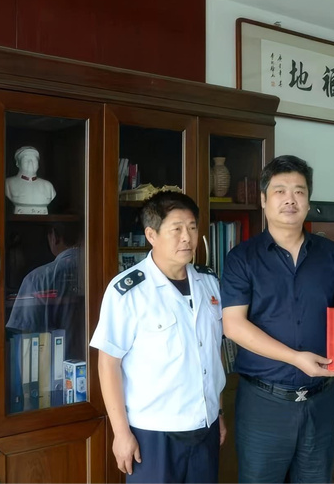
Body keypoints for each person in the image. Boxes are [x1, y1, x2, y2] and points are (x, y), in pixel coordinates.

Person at [221, 155, 334, 483]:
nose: (290, 199)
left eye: (299, 191)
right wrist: (296, 358)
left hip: (320, 400)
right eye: (280, 191)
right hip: (263, 403)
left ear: (308, 201)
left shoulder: (330, 254)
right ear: (264, 200)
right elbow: (233, 325)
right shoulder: (242, 258)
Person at [90, 191, 226, 483]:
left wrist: (218, 411)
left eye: (192, 227)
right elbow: (109, 364)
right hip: (153, 433)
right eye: (176, 229)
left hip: (206, 426)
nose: (187, 237)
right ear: (151, 235)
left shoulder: (209, 282)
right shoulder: (128, 291)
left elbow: (211, 352)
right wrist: (121, 433)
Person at [6, 222, 85, 364]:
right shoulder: (103, 273)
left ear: (54, 237)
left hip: (49, 370)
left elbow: (23, 335)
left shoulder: (37, 278)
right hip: (96, 364)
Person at [5, 146, 56, 214]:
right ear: (18, 163)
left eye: (34, 160)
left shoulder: (48, 186)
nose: (30, 162)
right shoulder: (8, 183)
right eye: (26, 159)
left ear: (38, 164)